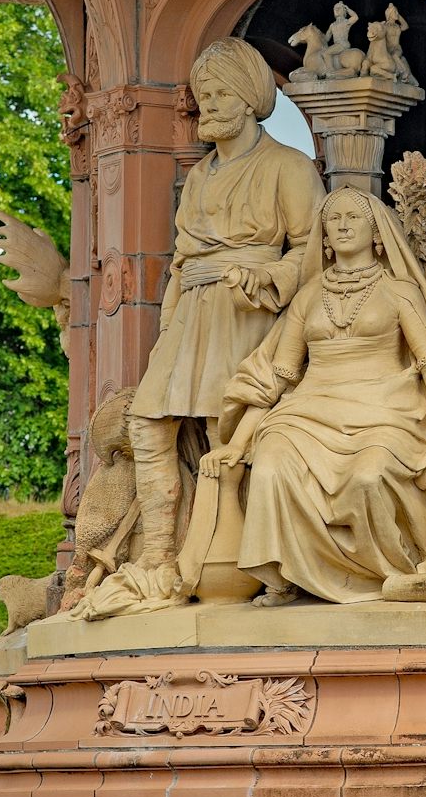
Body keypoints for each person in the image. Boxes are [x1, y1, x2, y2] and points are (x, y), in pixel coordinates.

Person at [194, 186, 426, 606]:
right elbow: (281, 374)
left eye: (353, 218)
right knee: (270, 463)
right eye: (334, 220)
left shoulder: (399, 291)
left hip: (386, 412)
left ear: (376, 231)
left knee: (368, 476)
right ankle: (285, 577)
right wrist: (236, 445)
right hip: (308, 411)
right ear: (324, 236)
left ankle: (391, 576)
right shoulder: (309, 296)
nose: (343, 225)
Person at [125, 38, 326, 595]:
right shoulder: (200, 177)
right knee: (146, 424)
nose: (204, 106)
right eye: (200, 95)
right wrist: (168, 322)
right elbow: (182, 257)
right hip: (192, 312)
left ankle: (244, 562)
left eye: (217, 95)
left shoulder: (289, 167)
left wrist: (271, 278)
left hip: (248, 312)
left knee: (227, 430)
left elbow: (313, 249)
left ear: (247, 101)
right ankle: (159, 557)